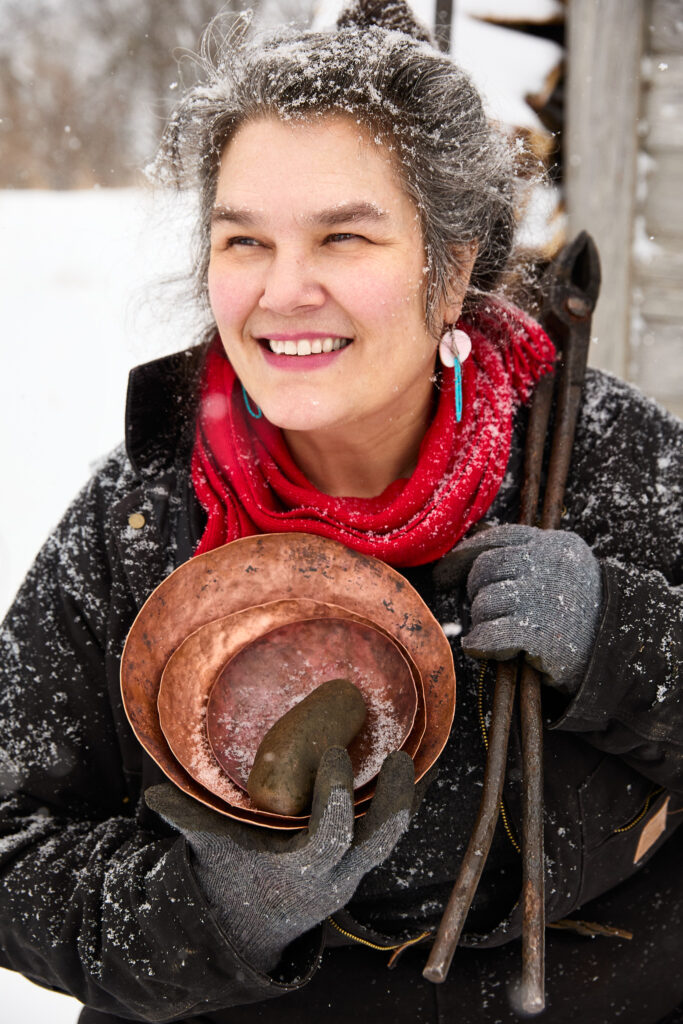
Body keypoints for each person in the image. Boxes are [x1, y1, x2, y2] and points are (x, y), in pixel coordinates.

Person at [0, 2, 681, 1022]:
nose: (283, 290)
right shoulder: (144, 512)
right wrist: (208, 910)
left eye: (343, 236)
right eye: (243, 241)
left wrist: (618, 638)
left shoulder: (594, 459)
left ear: (447, 268)